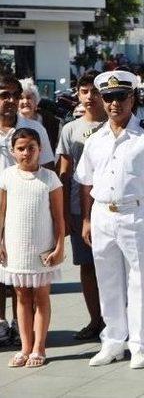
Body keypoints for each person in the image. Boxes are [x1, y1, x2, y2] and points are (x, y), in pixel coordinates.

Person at [75, 70, 144, 369]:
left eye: (121, 97)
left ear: (132, 98)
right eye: (109, 98)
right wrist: (87, 220)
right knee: (108, 281)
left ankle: (140, 345)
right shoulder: (94, 139)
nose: (115, 104)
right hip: (103, 213)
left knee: (140, 282)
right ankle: (113, 341)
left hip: (137, 212)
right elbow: (85, 183)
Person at [0, 127, 65, 368]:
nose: (27, 153)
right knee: (21, 296)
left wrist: (59, 247)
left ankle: (39, 347)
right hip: (15, 246)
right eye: (21, 149)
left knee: (41, 296)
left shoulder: (50, 178)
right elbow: (2, 213)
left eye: (31, 148)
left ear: (40, 149)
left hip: (42, 246)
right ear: (13, 151)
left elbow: (59, 218)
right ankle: (25, 347)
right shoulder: (6, 176)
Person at [0, 74, 55, 348]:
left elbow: (48, 173)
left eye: (13, 94)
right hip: (3, 211)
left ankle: (31, 340)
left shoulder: (34, 128)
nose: (8, 101)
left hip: (28, 215)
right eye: (2, 94)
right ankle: (2, 327)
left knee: (25, 282)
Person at [56, 72, 106, 340]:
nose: (89, 97)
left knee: (113, 267)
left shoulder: (115, 123)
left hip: (111, 206)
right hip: (79, 208)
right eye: (84, 91)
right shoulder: (69, 129)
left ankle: (117, 321)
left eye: (94, 91)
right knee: (87, 266)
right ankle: (95, 320)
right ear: (77, 94)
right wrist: (63, 214)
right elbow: (63, 173)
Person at [18, 78, 62, 149]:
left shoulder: (51, 122)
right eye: (21, 98)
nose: (25, 101)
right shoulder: (10, 122)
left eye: (29, 97)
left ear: (36, 101)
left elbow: (57, 148)